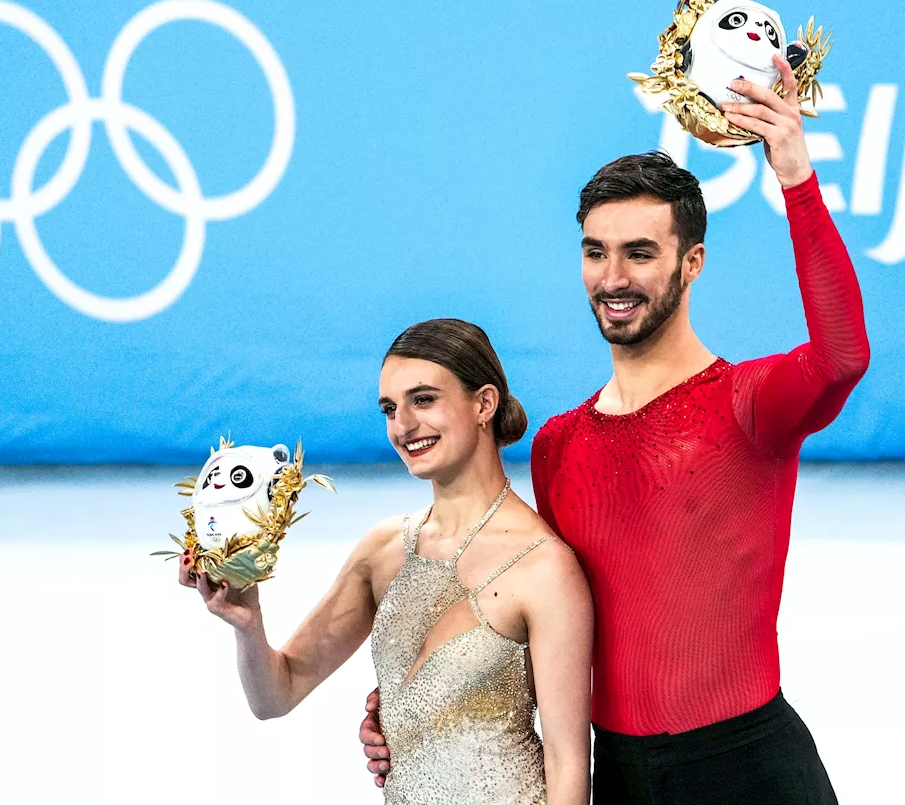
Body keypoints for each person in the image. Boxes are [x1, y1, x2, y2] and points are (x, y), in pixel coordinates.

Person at [360, 56, 869, 803]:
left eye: (640, 252)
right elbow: (526, 621)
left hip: (750, 771)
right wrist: (411, 715)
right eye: (596, 252)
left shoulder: (746, 403)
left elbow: (844, 355)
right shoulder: (560, 445)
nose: (613, 277)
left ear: (692, 263)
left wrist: (795, 176)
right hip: (620, 776)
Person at [179, 318, 593, 804]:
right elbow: (276, 694)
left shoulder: (544, 567)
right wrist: (247, 621)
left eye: (423, 399)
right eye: (389, 409)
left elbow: (568, 766)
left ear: (484, 403)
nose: (403, 426)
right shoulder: (384, 551)